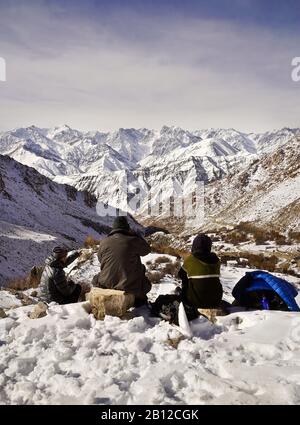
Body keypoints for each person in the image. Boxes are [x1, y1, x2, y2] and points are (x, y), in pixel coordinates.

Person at [93, 216, 151, 306]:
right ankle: (138, 300)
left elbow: (101, 260)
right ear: (127, 228)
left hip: (106, 284)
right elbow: (147, 250)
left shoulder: (104, 242)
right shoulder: (133, 240)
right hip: (129, 286)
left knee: (96, 278)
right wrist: (136, 235)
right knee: (146, 283)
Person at [178, 233, 223, 309]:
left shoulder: (191, 259)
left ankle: (187, 299)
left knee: (186, 278)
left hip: (196, 302)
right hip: (216, 301)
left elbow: (180, 275)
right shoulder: (216, 260)